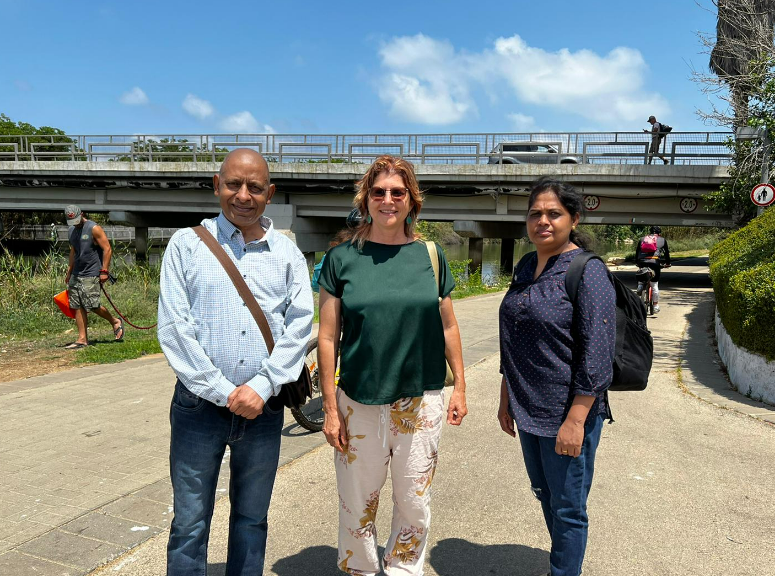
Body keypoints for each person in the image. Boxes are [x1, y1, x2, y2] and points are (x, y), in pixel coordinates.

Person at [157, 149, 314, 575]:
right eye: (233, 185)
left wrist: (260, 387)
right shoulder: (186, 246)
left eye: (255, 187)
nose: (243, 195)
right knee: (189, 522)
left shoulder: (286, 254)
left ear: (270, 193)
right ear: (216, 185)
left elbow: (299, 327)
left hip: (263, 412)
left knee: (251, 519)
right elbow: (174, 330)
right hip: (197, 408)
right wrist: (225, 391)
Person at [317, 155, 467, 576]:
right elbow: (327, 338)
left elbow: (449, 325)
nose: (387, 200)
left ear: (411, 200)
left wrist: (460, 387)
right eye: (378, 192)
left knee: (414, 502)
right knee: (356, 501)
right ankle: (362, 570)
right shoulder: (342, 259)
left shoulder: (431, 257)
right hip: (358, 401)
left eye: (397, 192)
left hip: (420, 401)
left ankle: (403, 568)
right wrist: (330, 408)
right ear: (365, 199)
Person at [498, 177, 616, 576]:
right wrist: (505, 397)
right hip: (527, 407)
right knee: (544, 493)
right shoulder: (527, 265)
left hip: (567, 412)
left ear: (573, 218)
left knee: (568, 508)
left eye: (553, 213)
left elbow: (598, 354)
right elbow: (514, 333)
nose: (542, 221)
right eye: (535, 213)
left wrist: (576, 420)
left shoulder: (587, 270)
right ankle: (564, 561)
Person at [63, 205, 124, 349]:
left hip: (91, 272)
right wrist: (69, 270)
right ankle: (82, 339)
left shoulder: (93, 228)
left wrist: (104, 270)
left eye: (77, 220)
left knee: (93, 305)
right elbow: (73, 251)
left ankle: (115, 321)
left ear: (82, 214)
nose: (75, 223)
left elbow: (107, 248)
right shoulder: (71, 230)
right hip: (76, 273)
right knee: (76, 305)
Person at [635, 225, 671, 313]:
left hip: (642, 261)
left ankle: (640, 286)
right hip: (654, 262)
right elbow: (666, 254)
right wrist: (667, 263)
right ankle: (655, 305)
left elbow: (637, 252)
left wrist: (637, 262)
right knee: (654, 285)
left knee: (642, 273)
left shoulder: (642, 239)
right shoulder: (662, 240)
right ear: (659, 233)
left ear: (650, 232)